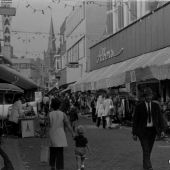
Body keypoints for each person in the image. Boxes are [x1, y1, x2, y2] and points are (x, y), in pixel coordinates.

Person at [132, 87, 166, 170]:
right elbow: (135, 120)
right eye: (147, 96)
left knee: (149, 149)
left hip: (152, 131)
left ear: (152, 96)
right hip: (142, 131)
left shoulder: (156, 106)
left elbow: (160, 119)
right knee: (146, 149)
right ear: (144, 97)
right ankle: (149, 166)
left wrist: (162, 130)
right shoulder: (139, 106)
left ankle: (145, 164)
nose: (149, 97)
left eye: (150, 95)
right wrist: (134, 133)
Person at [49, 98, 74, 170]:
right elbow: (68, 125)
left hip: (52, 135)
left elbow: (47, 125)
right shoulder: (63, 114)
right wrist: (72, 133)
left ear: (52, 106)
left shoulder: (49, 114)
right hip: (61, 135)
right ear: (59, 106)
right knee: (60, 153)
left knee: (52, 151)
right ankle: (59, 168)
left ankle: (52, 166)